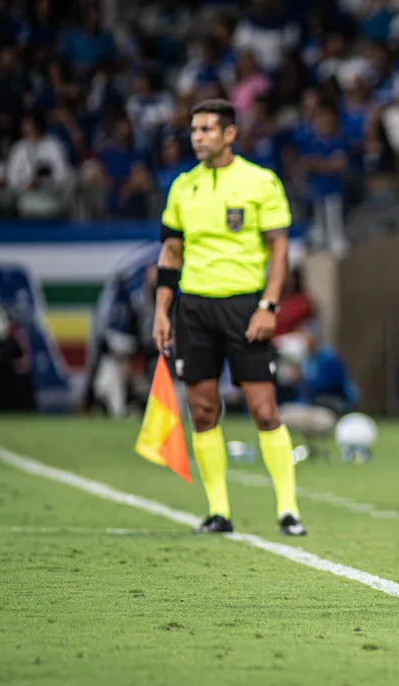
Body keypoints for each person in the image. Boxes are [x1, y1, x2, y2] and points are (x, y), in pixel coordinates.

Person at [153, 98, 306, 537]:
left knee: (264, 409)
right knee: (202, 411)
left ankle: (288, 510)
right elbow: (170, 253)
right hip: (194, 308)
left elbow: (280, 249)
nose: (197, 136)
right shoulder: (182, 186)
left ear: (230, 134)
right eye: (194, 130)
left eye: (206, 129)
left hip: (245, 306)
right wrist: (162, 312)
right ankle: (218, 511)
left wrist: (269, 305)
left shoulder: (261, 182)